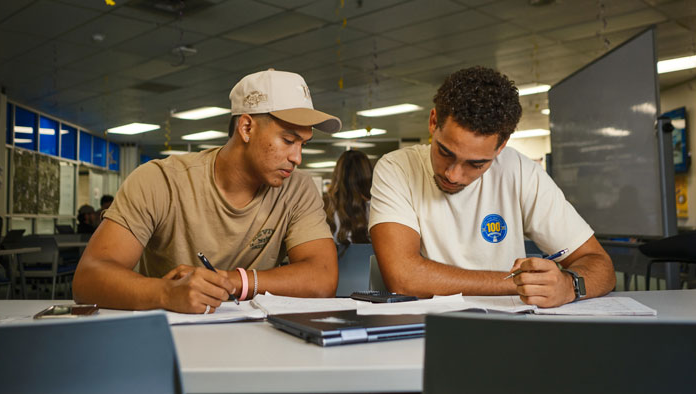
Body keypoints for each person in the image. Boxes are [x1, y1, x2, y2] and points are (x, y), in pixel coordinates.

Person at [73, 69, 342, 314]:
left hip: (255, 342)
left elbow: (323, 278)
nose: (297, 158)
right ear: (246, 128)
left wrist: (233, 281)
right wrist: (166, 294)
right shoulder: (161, 180)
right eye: (288, 140)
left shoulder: (298, 188)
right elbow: (88, 278)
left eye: (304, 144)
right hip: (169, 337)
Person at [369, 66, 615, 308]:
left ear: (501, 146)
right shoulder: (397, 167)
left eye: (476, 164)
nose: (453, 175)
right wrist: (523, 284)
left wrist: (569, 286)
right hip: (428, 328)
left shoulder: (519, 170)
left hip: (508, 326)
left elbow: (600, 265)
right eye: (445, 152)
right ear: (434, 122)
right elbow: (403, 278)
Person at [323, 149, 373, 249]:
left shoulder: (325, 207)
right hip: (368, 263)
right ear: (368, 175)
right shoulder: (376, 207)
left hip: (334, 263)